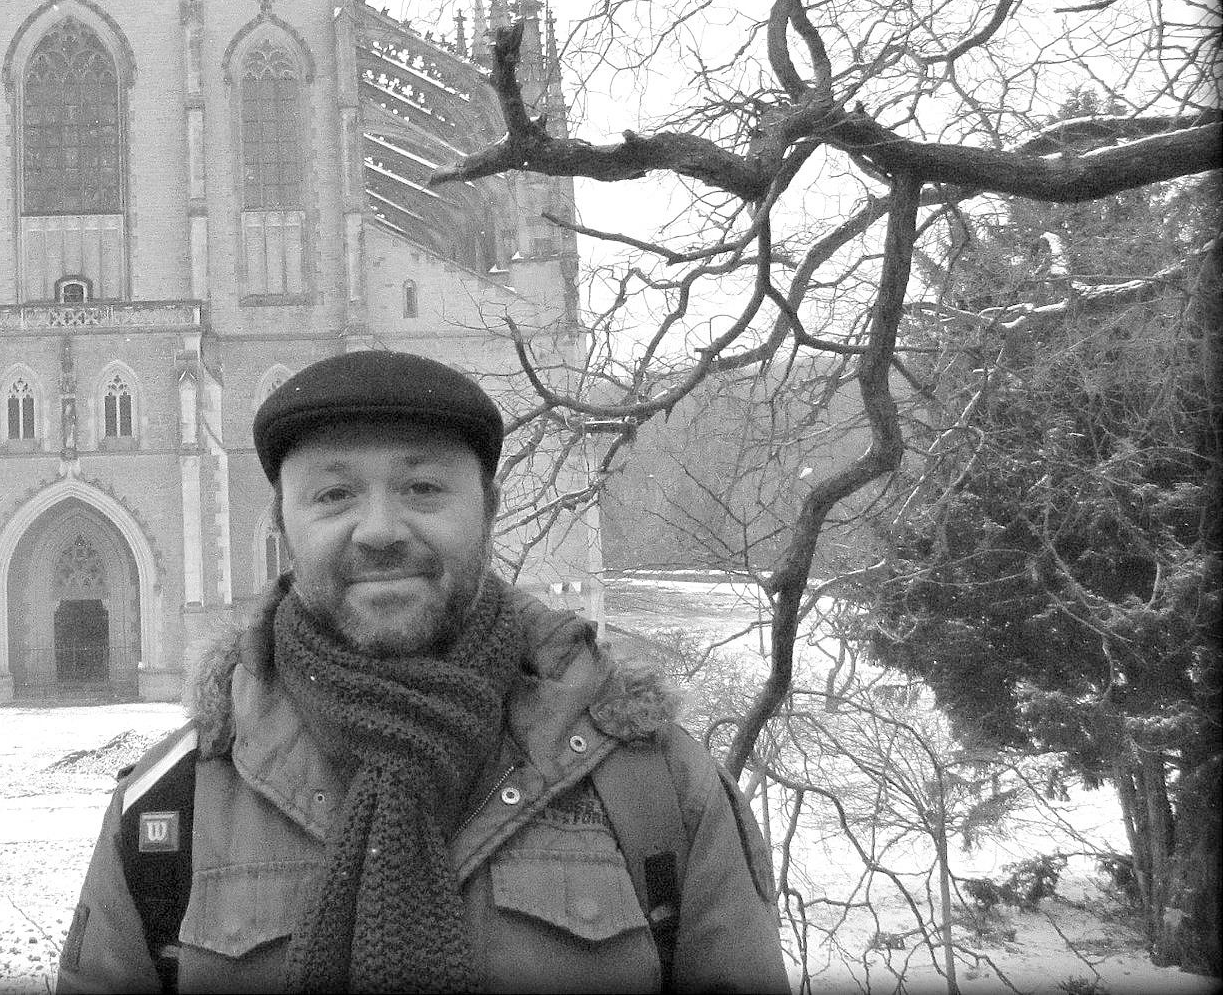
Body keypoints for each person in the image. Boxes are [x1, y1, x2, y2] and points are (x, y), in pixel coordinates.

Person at [57, 350, 787, 993]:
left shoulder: (656, 787)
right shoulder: (170, 809)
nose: (379, 530)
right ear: (282, 525)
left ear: (490, 509)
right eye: (334, 494)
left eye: (423, 488)